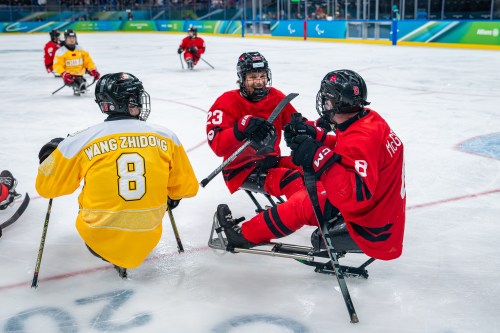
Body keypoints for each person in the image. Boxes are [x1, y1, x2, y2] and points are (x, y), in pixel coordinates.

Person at [216, 69, 406, 261]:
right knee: (310, 191)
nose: (324, 104)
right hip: (381, 215)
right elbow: (348, 150)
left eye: (326, 99)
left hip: (373, 229)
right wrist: (317, 136)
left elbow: (355, 196)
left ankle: (242, 236)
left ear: (334, 103)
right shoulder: (368, 120)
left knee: (302, 204)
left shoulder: (361, 138)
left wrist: (318, 156)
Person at [35, 72, 199, 278]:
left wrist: (50, 158)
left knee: (89, 187)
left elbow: (47, 188)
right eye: (135, 97)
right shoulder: (166, 136)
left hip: (97, 240)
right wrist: (171, 196)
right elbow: (187, 189)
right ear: (123, 102)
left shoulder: (81, 140)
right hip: (149, 238)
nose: (140, 101)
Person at [207, 52, 329, 249]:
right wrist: (240, 128)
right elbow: (217, 145)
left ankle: (324, 215)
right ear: (241, 78)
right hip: (241, 168)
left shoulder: (276, 97)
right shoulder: (226, 102)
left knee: (317, 167)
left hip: (271, 161)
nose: (259, 82)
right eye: (253, 77)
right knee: (294, 180)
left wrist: (317, 125)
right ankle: (302, 214)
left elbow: (297, 124)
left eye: (262, 76)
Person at [53, 29, 100, 96]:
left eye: (73, 38)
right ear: (65, 39)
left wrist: (93, 69)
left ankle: (80, 84)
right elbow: (57, 65)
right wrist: (64, 73)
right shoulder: (60, 51)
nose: (72, 40)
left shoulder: (81, 49)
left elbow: (88, 61)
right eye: (69, 38)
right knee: (80, 86)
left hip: (80, 75)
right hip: (69, 77)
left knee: (82, 86)